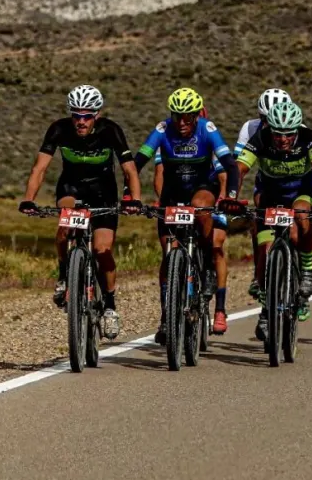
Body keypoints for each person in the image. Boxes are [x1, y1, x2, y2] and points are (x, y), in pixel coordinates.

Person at [18, 85, 142, 340]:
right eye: (76, 115)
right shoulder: (59, 129)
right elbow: (39, 168)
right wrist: (28, 199)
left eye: (86, 116)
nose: (80, 121)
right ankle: (64, 275)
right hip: (71, 186)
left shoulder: (111, 130)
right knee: (65, 225)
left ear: (96, 114)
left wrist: (135, 200)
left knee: (101, 251)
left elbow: (130, 170)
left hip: (104, 191)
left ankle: (109, 306)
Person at [133, 87, 241, 343]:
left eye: (188, 117)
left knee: (201, 206)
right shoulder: (162, 130)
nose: (182, 122)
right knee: (167, 253)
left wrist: (232, 195)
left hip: (201, 187)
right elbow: (138, 162)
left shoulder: (208, 129)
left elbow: (230, 166)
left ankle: (204, 260)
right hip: (173, 191)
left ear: (196, 116)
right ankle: (165, 317)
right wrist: (130, 192)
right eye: (177, 116)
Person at [232, 100, 312, 342]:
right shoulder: (260, 138)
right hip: (271, 193)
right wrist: (231, 197)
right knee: (265, 250)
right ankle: (266, 311)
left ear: (297, 130)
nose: (283, 140)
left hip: (301, 191)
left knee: (300, 218)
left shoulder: (309, 136)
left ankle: (306, 269)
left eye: (288, 134)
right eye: (278, 134)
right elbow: (239, 168)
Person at [233, 88, 293, 302]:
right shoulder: (250, 128)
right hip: (267, 185)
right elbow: (237, 167)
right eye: (264, 119)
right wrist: (231, 196)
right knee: (259, 222)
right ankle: (260, 274)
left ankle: (302, 272)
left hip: (294, 187)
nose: (269, 124)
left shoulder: (298, 129)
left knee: (299, 228)